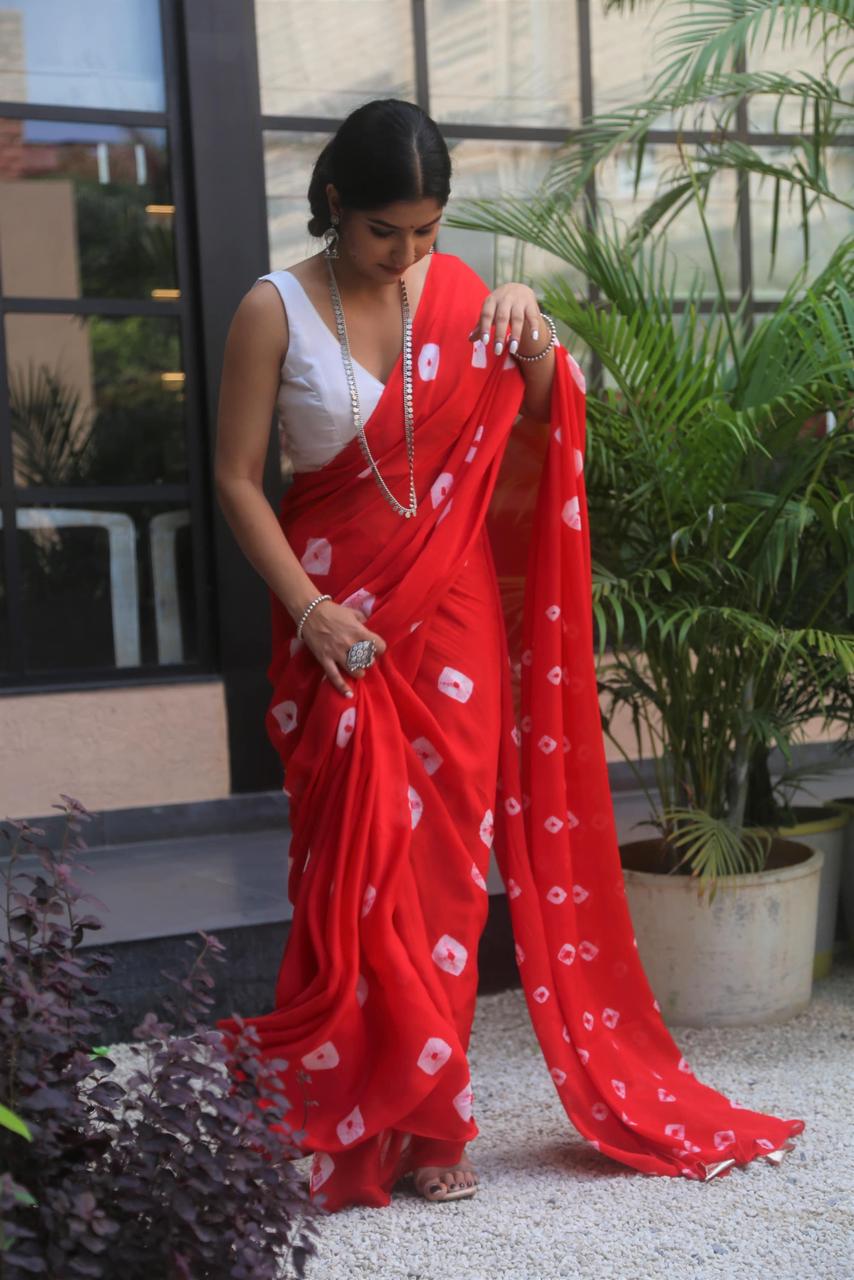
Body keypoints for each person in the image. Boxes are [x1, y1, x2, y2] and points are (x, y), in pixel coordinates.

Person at [212, 98, 804, 1214]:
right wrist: (310, 613)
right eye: (388, 231)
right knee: (350, 864)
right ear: (335, 201)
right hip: (335, 623)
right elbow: (240, 479)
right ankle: (355, 1107)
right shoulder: (272, 307)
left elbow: (531, 418)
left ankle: (432, 1121)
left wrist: (531, 333)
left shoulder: (460, 294)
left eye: (429, 231)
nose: (409, 255)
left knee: (439, 871)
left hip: (455, 623)